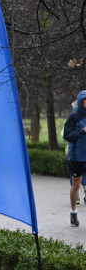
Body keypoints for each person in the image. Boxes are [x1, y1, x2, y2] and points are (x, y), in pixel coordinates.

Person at [62, 90, 86, 227]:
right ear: (81, 101)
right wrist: (82, 131)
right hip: (77, 157)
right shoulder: (74, 117)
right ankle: (73, 212)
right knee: (76, 185)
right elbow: (67, 135)